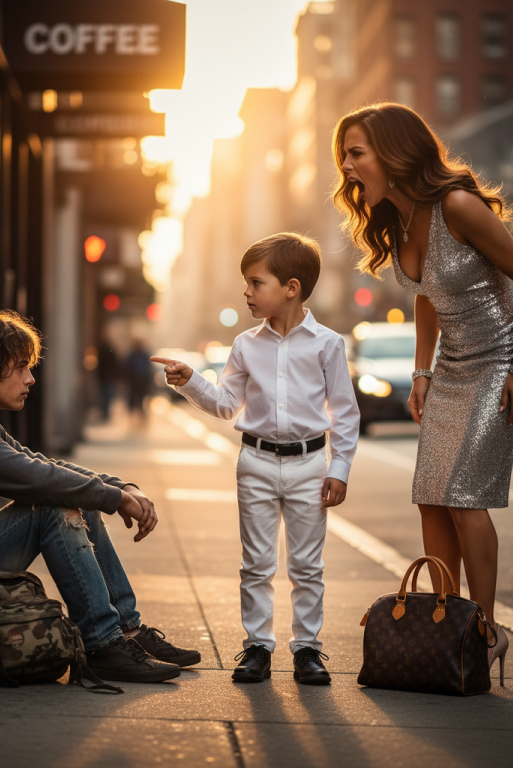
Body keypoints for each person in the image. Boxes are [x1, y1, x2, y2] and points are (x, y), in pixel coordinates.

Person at [333, 103, 513, 683]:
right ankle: (447, 622)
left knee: (463, 494)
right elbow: (426, 295)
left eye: (356, 153)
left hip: (501, 357)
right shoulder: (399, 220)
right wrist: (421, 371)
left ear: (394, 152)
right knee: (430, 494)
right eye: (344, 155)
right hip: (452, 364)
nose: (346, 167)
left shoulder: (456, 205)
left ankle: (484, 633)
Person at [0, 309, 201, 683]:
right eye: (20, 368)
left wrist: (118, 487)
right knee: (52, 504)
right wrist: (114, 498)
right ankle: (101, 644)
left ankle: (126, 630)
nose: (30, 378)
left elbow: (40, 464)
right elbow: (36, 478)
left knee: (73, 495)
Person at [152, 233, 360, 685]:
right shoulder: (245, 344)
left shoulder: (327, 344)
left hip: (310, 465)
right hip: (256, 463)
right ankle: (258, 647)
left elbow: (344, 412)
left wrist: (339, 469)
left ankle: (307, 649)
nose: (246, 291)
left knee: (307, 565)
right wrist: (191, 381)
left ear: (291, 288)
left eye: (255, 282)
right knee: (256, 564)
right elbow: (227, 404)